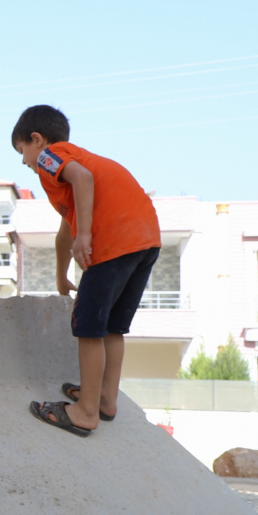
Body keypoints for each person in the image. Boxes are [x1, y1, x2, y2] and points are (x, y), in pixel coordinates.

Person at [12, 104, 161, 437]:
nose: (25, 162)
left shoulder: (51, 157)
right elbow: (67, 227)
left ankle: (85, 412)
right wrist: (60, 274)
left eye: (22, 151)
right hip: (145, 239)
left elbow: (83, 179)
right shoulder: (77, 165)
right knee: (112, 327)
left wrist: (86, 235)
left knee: (89, 326)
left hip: (113, 242)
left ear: (37, 140)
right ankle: (106, 399)